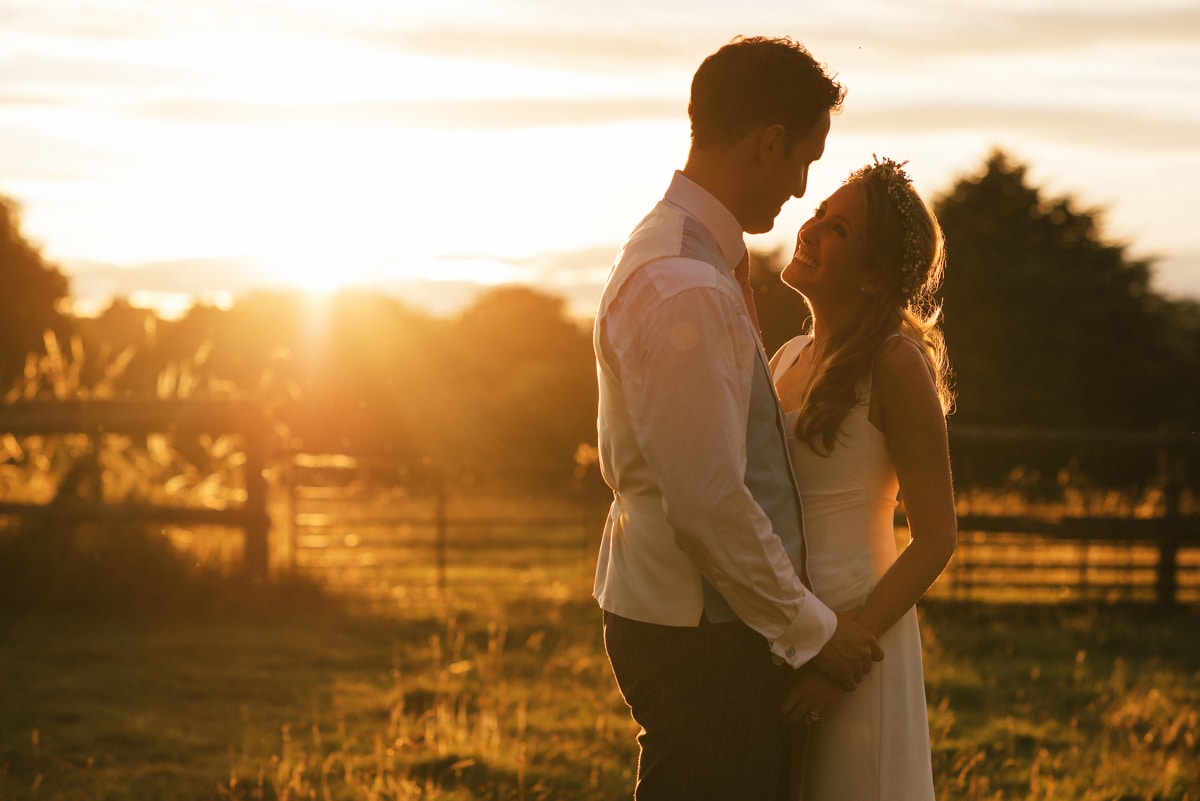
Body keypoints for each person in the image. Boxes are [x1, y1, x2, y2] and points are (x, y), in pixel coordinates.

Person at [593, 36, 883, 801]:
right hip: (702, 636)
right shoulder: (687, 283)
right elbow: (709, 498)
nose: (799, 187)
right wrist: (813, 629)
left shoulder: (686, 256)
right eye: (804, 161)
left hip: (695, 619)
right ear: (771, 142)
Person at [770, 157, 958, 800]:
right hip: (786, 623)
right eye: (820, 213)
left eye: (839, 230)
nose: (812, 228)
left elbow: (936, 538)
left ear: (876, 276)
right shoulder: (787, 356)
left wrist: (845, 653)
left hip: (857, 635)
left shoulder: (895, 363)